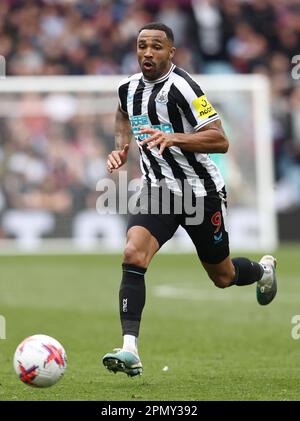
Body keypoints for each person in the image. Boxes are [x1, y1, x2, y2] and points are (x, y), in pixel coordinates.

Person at [102, 22, 277, 377]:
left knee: (223, 276)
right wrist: (121, 146)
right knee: (133, 253)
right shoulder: (128, 88)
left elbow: (219, 139)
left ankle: (263, 270)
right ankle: (130, 349)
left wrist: (175, 139)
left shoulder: (184, 87)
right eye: (142, 46)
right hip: (159, 190)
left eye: (156, 47)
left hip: (201, 193)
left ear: (171, 52)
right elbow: (122, 113)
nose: (148, 53)